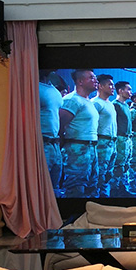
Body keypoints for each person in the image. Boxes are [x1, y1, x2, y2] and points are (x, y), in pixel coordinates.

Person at [59, 69, 99, 198]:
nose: (95, 80)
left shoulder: (88, 101)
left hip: (90, 148)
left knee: (91, 186)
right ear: (80, 81)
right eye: (91, 77)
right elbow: (60, 125)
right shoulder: (72, 100)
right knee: (75, 188)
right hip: (76, 149)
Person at [38, 70, 63, 197]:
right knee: (41, 186)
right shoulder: (35, 88)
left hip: (54, 145)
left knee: (55, 187)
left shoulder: (54, 90)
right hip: (42, 143)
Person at [92, 74, 117, 197]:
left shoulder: (110, 104)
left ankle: (105, 195)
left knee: (108, 173)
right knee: (100, 172)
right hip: (102, 142)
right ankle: (98, 197)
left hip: (112, 142)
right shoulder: (96, 103)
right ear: (100, 86)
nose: (113, 87)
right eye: (110, 85)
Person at [112, 80, 134, 196]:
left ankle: (122, 187)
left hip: (127, 139)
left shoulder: (125, 105)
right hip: (120, 139)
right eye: (128, 89)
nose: (131, 92)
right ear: (120, 91)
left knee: (125, 165)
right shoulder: (115, 105)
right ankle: (115, 189)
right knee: (118, 165)